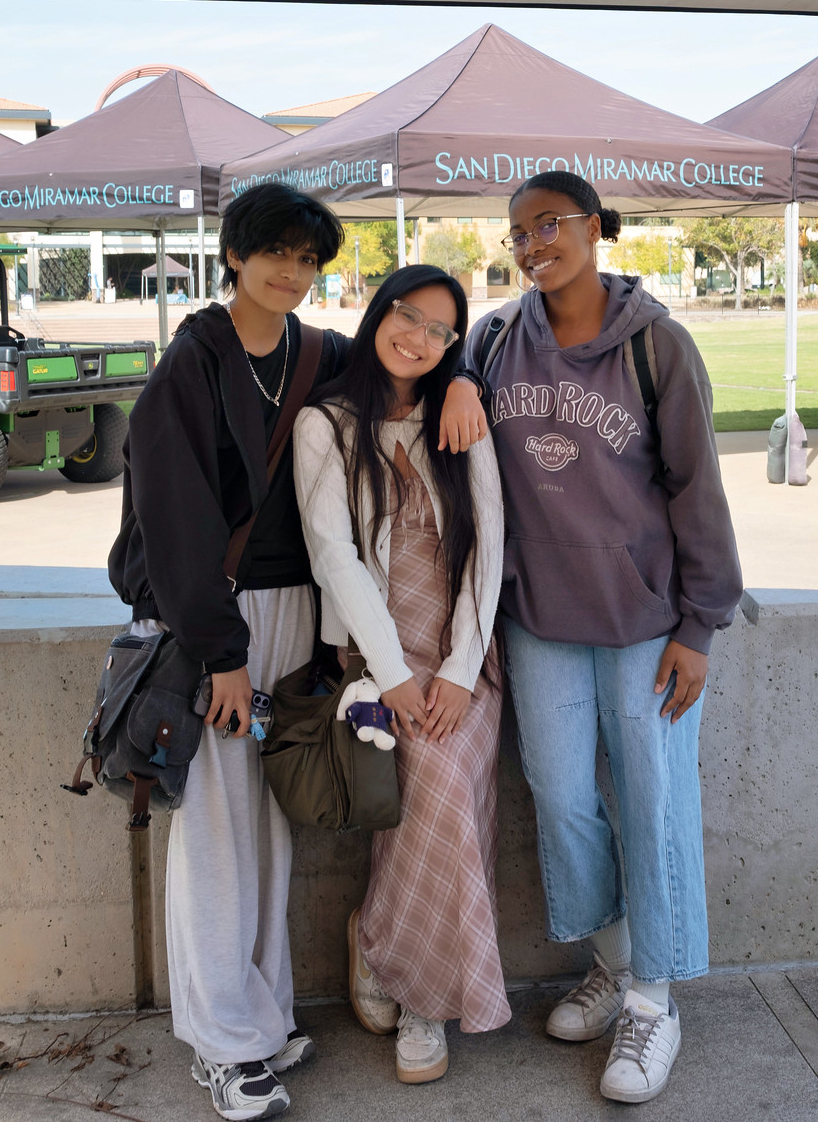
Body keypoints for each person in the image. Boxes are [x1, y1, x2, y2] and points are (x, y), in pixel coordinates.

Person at [107, 184, 485, 1121]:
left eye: (308, 260)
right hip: (214, 625)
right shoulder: (189, 365)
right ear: (233, 254)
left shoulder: (319, 354)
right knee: (215, 833)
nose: (290, 271)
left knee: (270, 826)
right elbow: (176, 522)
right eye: (273, 251)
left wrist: (467, 373)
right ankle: (222, 1045)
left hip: (296, 619)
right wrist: (221, 651)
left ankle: (262, 1021)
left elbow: (418, 344)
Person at [459, 171, 743, 1105]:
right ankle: (617, 962)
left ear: (594, 229)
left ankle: (656, 1001)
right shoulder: (496, 341)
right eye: (518, 232)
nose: (533, 243)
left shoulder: (655, 344)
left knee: (654, 802)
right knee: (561, 796)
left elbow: (699, 492)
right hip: (539, 618)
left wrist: (699, 625)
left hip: (645, 622)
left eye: (550, 224)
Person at [292, 265, 509, 1085]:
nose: (418, 339)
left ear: (455, 343)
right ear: (378, 312)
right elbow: (334, 557)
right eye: (406, 317)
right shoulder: (331, 422)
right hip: (373, 661)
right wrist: (391, 675)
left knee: (449, 777)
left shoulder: (461, 415)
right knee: (427, 776)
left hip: (465, 657)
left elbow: (489, 543)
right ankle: (409, 976)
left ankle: (398, 964)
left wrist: (455, 673)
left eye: (441, 331)